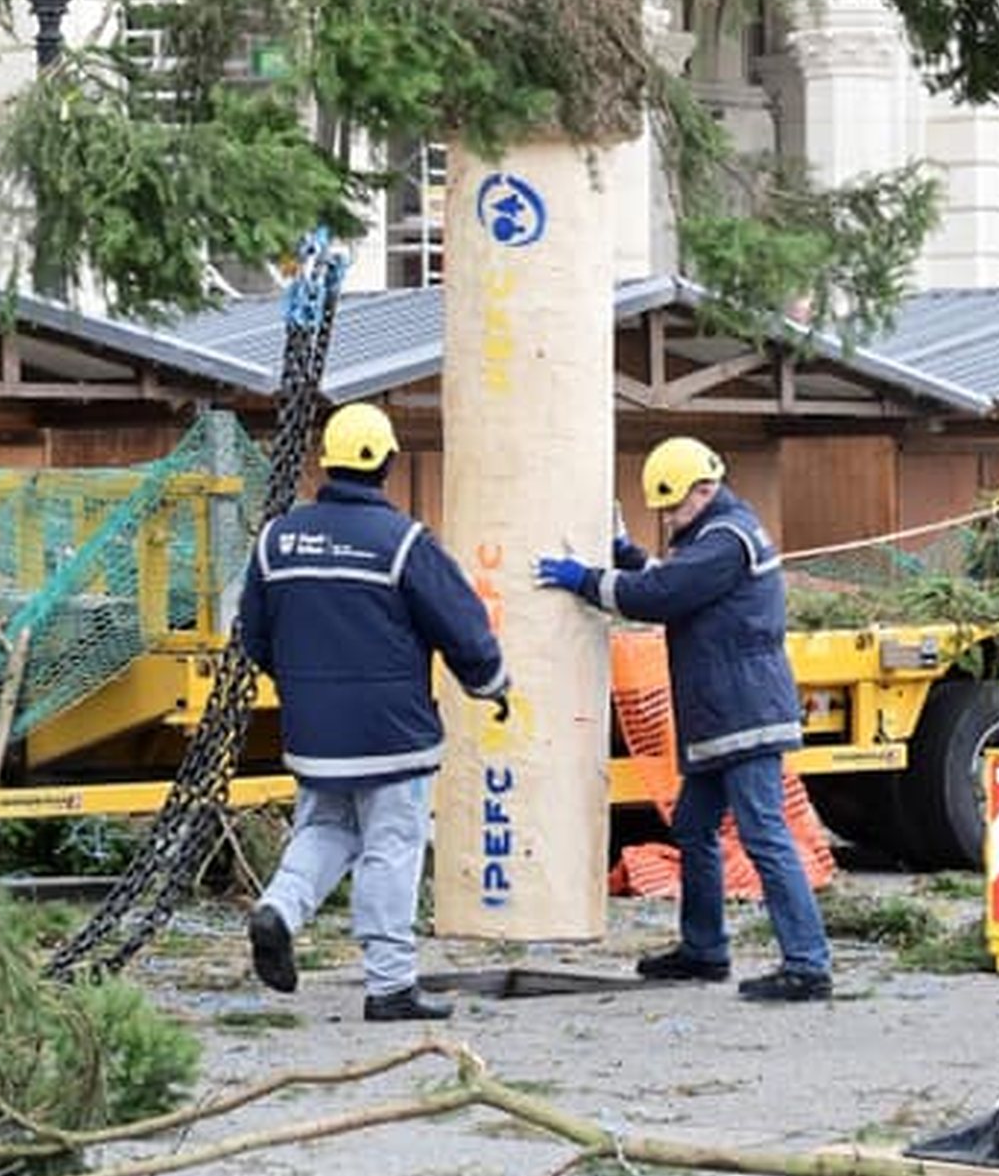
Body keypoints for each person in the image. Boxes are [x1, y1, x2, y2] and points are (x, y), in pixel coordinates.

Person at [238, 399, 510, 1022]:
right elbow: (462, 626)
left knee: (324, 830)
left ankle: (280, 907)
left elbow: (254, 634)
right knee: (391, 846)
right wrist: (492, 684)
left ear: (326, 463)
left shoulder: (277, 541)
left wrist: (309, 688)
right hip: (393, 736)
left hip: (315, 735)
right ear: (388, 463)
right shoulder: (403, 541)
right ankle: (390, 986)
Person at [536, 432, 833, 1003]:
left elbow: (662, 594)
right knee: (694, 828)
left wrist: (586, 580)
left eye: (674, 507)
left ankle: (807, 963)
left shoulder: (726, 539)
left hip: (741, 715)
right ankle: (703, 950)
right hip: (722, 716)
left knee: (763, 835)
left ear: (704, 488)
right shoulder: (719, 535)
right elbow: (673, 580)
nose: (669, 518)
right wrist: (625, 556)